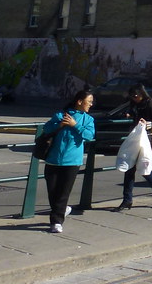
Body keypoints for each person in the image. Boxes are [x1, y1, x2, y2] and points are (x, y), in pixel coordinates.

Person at [40, 88, 95, 233]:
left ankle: (56, 221)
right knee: (52, 192)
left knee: (63, 192)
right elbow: (46, 129)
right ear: (79, 101)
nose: (91, 104)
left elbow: (89, 135)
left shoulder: (88, 119)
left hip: (72, 161)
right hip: (53, 159)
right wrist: (59, 125)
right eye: (89, 102)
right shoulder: (60, 115)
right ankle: (62, 210)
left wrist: (75, 125)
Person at [116, 84, 152, 211]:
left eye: (136, 96)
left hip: (146, 137)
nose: (134, 98)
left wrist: (150, 124)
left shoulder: (150, 103)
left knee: (145, 167)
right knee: (129, 168)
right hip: (135, 136)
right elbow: (133, 113)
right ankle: (127, 200)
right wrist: (128, 114)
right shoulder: (133, 103)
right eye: (132, 96)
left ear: (142, 94)